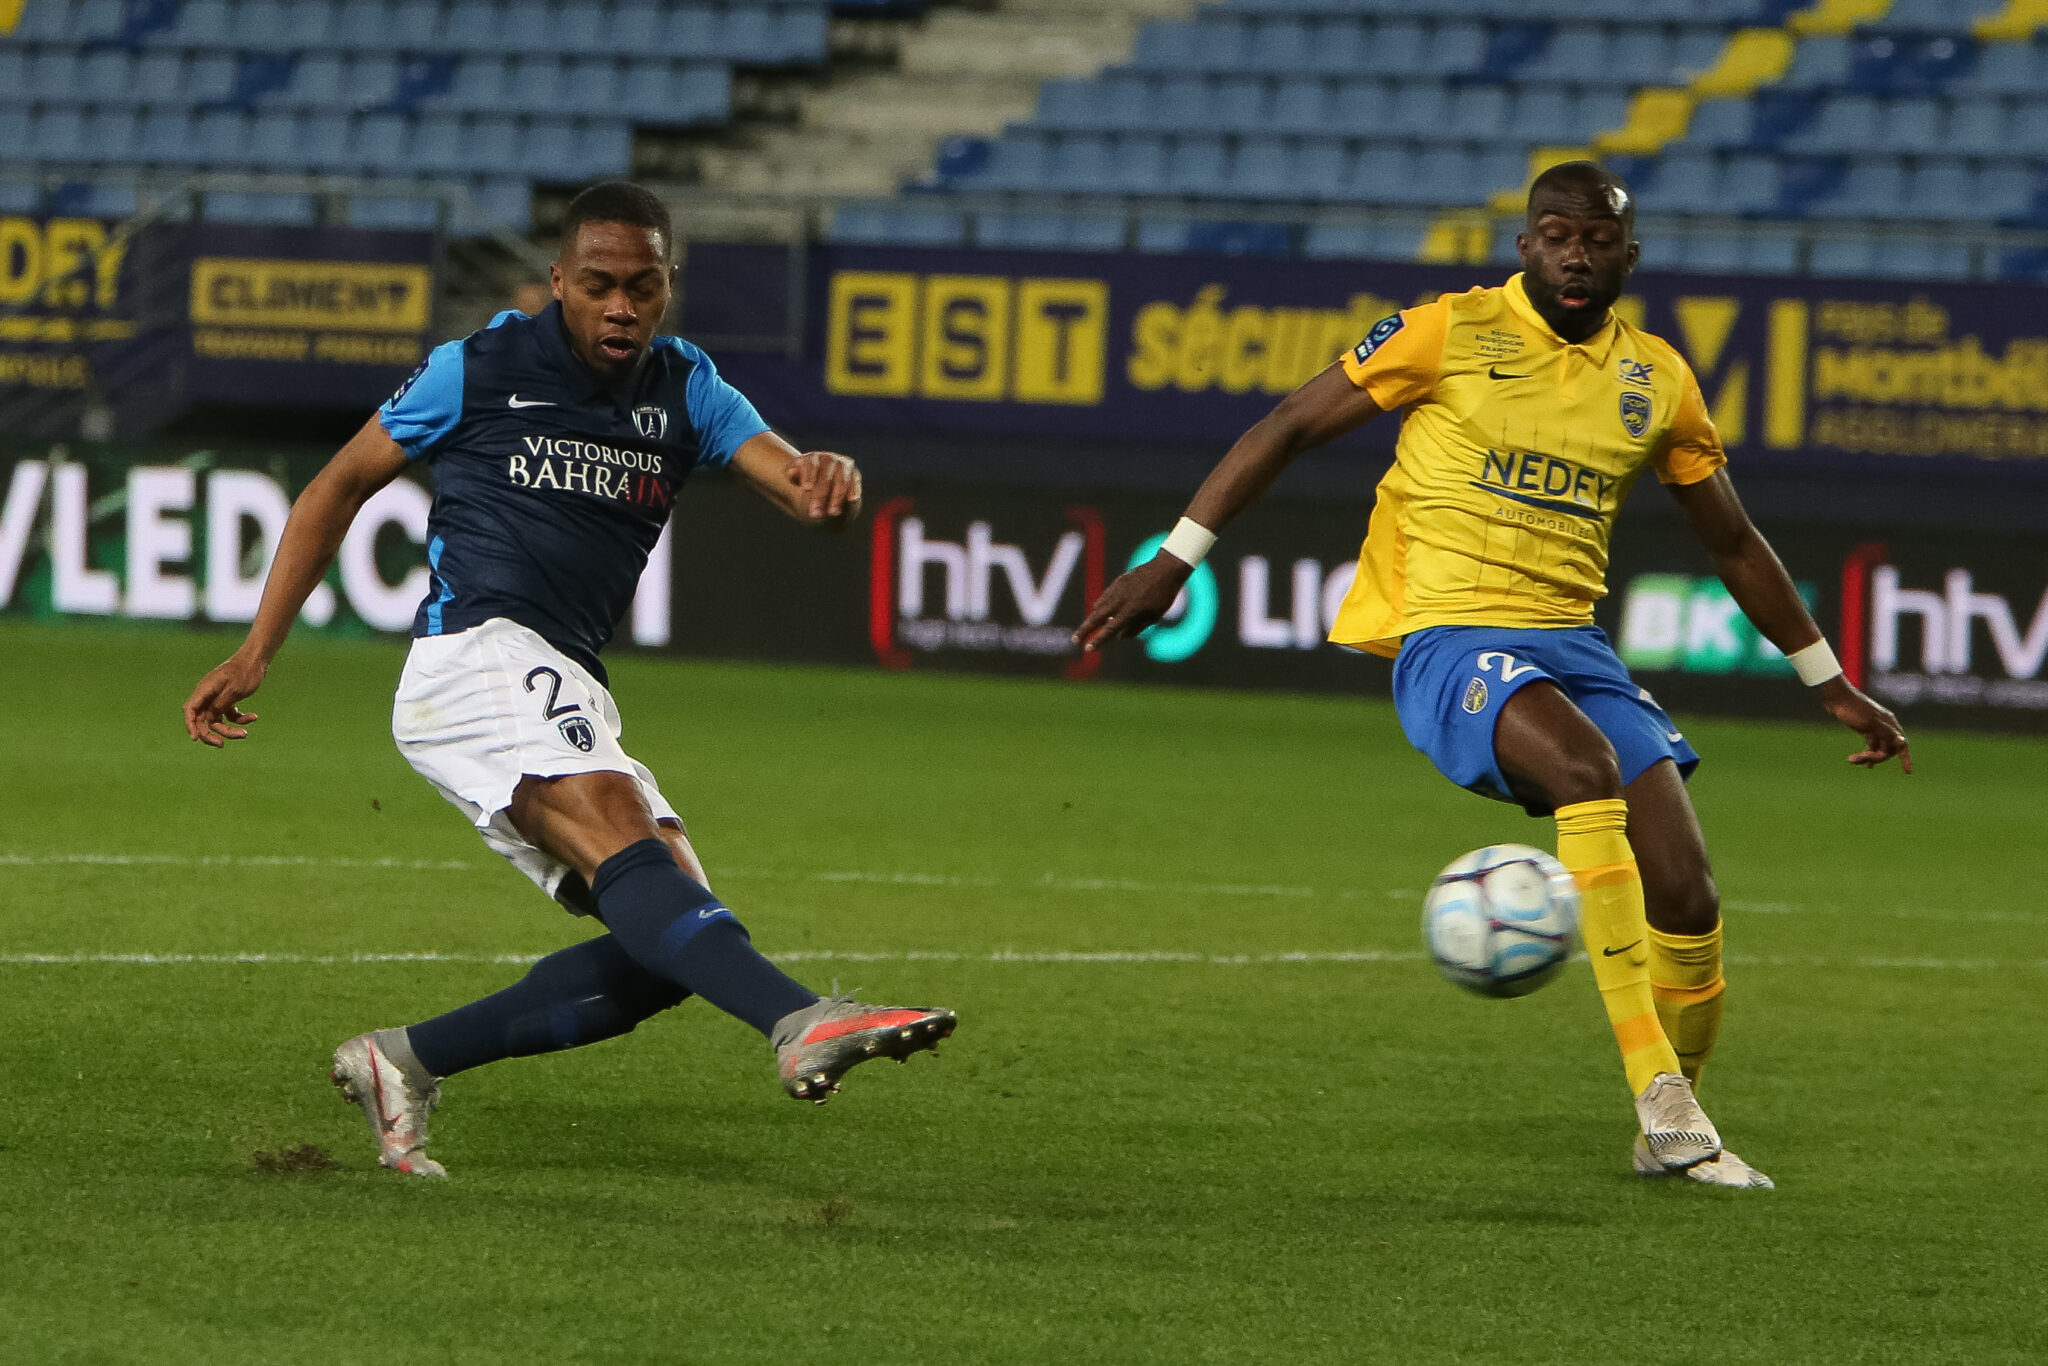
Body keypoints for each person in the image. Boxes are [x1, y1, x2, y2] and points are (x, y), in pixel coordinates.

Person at [1075, 162, 1911, 1190]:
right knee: (1582, 765)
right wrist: (1173, 558)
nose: (1573, 250)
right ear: (1523, 245)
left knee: (1686, 893)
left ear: (1625, 257)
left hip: (1572, 642)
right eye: (1554, 233)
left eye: (1595, 239)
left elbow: (1732, 541)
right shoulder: (1443, 331)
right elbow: (1286, 422)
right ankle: (1657, 1089)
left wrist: (1824, 678)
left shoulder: (1656, 380)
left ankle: (1666, 1128)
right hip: (1450, 637)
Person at [183, 182, 955, 1178]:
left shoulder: (689, 389)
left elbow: (797, 485)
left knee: (668, 947)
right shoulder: (479, 367)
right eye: (598, 286)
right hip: (476, 655)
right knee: (634, 857)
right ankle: (800, 1019)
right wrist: (256, 650)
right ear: (559, 283)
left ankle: (400, 1060)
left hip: (563, 680)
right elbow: (338, 484)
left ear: (669, 286)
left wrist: (829, 487)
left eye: (643, 286)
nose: (621, 307)